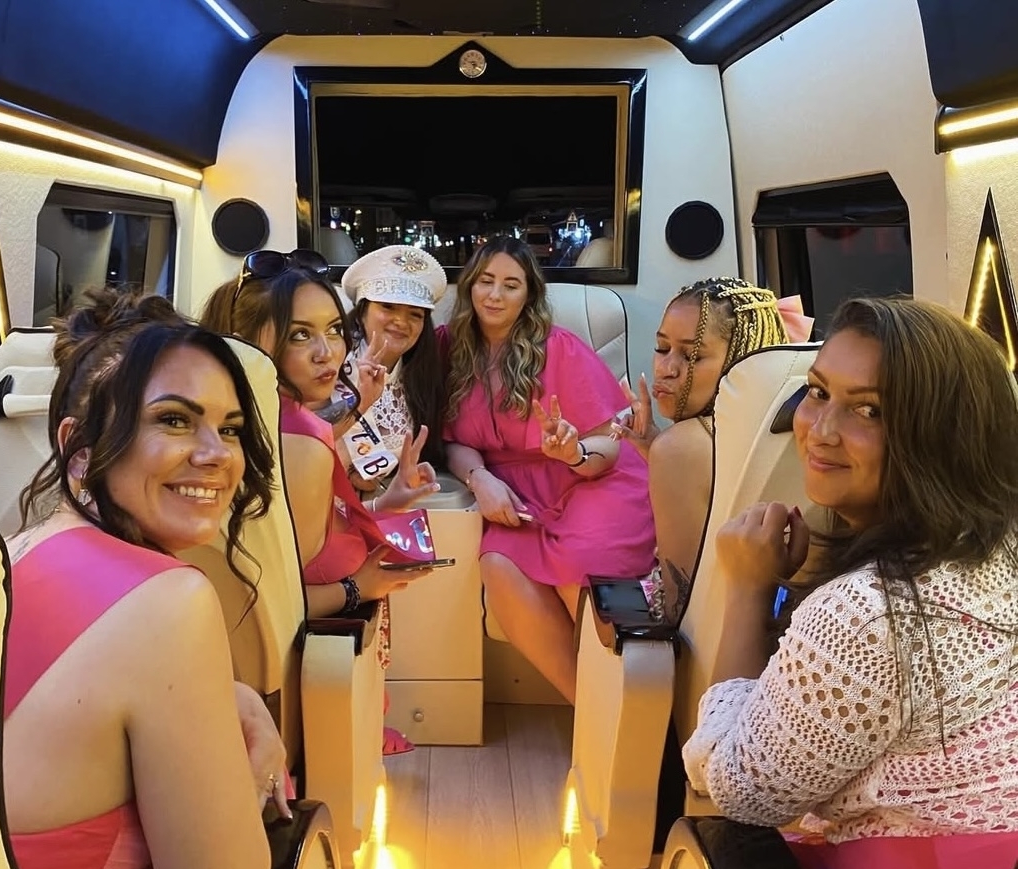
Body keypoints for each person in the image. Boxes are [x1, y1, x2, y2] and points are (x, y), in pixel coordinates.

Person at [682, 298, 1018, 869]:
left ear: (943, 436)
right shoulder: (1000, 543)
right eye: (817, 392)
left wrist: (746, 587)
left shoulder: (867, 616)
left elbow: (740, 792)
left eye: (868, 410)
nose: (820, 431)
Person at [4, 291, 281, 869]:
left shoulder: (14, 552)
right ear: (79, 450)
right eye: (174, 420)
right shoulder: (169, 603)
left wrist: (229, 693)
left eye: (230, 429)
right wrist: (254, 780)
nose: (217, 455)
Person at [201, 249, 440, 755]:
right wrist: (359, 588)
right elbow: (276, 604)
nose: (327, 353)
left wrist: (387, 503)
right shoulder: (302, 440)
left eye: (333, 330)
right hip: (296, 693)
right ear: (248, 343)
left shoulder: (259, 418)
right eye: (299, 335)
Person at [442, 235, 656, 705]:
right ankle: (593, 710)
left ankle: (636, 707)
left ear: (529, 295)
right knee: (497, 565)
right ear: (469, 285)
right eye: (485, 281)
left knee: (583, 563)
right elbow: (451, 442)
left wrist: (572, 453)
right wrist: (480, 479)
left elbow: (609, 445)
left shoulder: (559, 348)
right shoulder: (446, 349)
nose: (495, 295)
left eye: (511, 285)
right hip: (514, 490)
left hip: (591, 478)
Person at [612, 278, 804, 620]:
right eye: (662, 348)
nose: (667, 369)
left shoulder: (679, 448)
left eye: (692, 355)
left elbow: (682, 611)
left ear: (741, 360)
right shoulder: (789, 426)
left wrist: (667, 451)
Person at [334, 245, 448, 495]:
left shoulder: (419, 377)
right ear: (363, 310)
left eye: (415, 314)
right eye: (388, 306)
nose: (401, 321)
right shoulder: (330, 365)